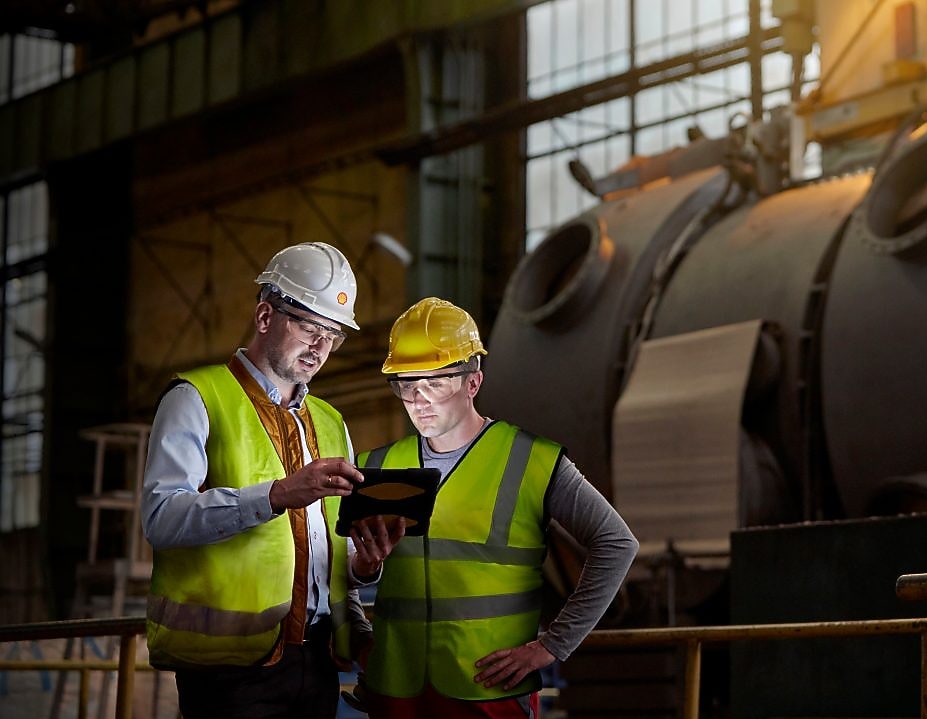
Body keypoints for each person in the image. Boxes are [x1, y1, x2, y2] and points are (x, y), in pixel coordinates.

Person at [348, 297, 638, 719]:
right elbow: (338, 570)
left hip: (490, 695)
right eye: (407, 384)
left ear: (473, 382)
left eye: (437, 382)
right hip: (396, 693)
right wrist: (359, 611)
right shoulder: (375, 466)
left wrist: (552, 645)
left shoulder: (531, 462)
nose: (420, 399)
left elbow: (617, 544)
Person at [141, 241, 396, 719]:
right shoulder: (196, 398)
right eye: (309, 326)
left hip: (318, 659)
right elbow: (161, 518)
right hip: (228, 670)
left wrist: (364, 565)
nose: (320, 346)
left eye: (333, 334)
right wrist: (277, 495)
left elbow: (327, 553)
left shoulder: (330, 421)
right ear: (265, 317)